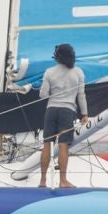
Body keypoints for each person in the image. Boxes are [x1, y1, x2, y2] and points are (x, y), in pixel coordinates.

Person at [38, 42, 89, 189]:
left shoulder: (49, 72)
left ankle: (42, 181)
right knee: (63, 146)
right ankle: (63, 181)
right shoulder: (78, 72)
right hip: (67, 111)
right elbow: (81, 95)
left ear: (57, 57)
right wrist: (84, 114)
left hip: (51, 110)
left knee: (46, 144)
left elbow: (43, 95)